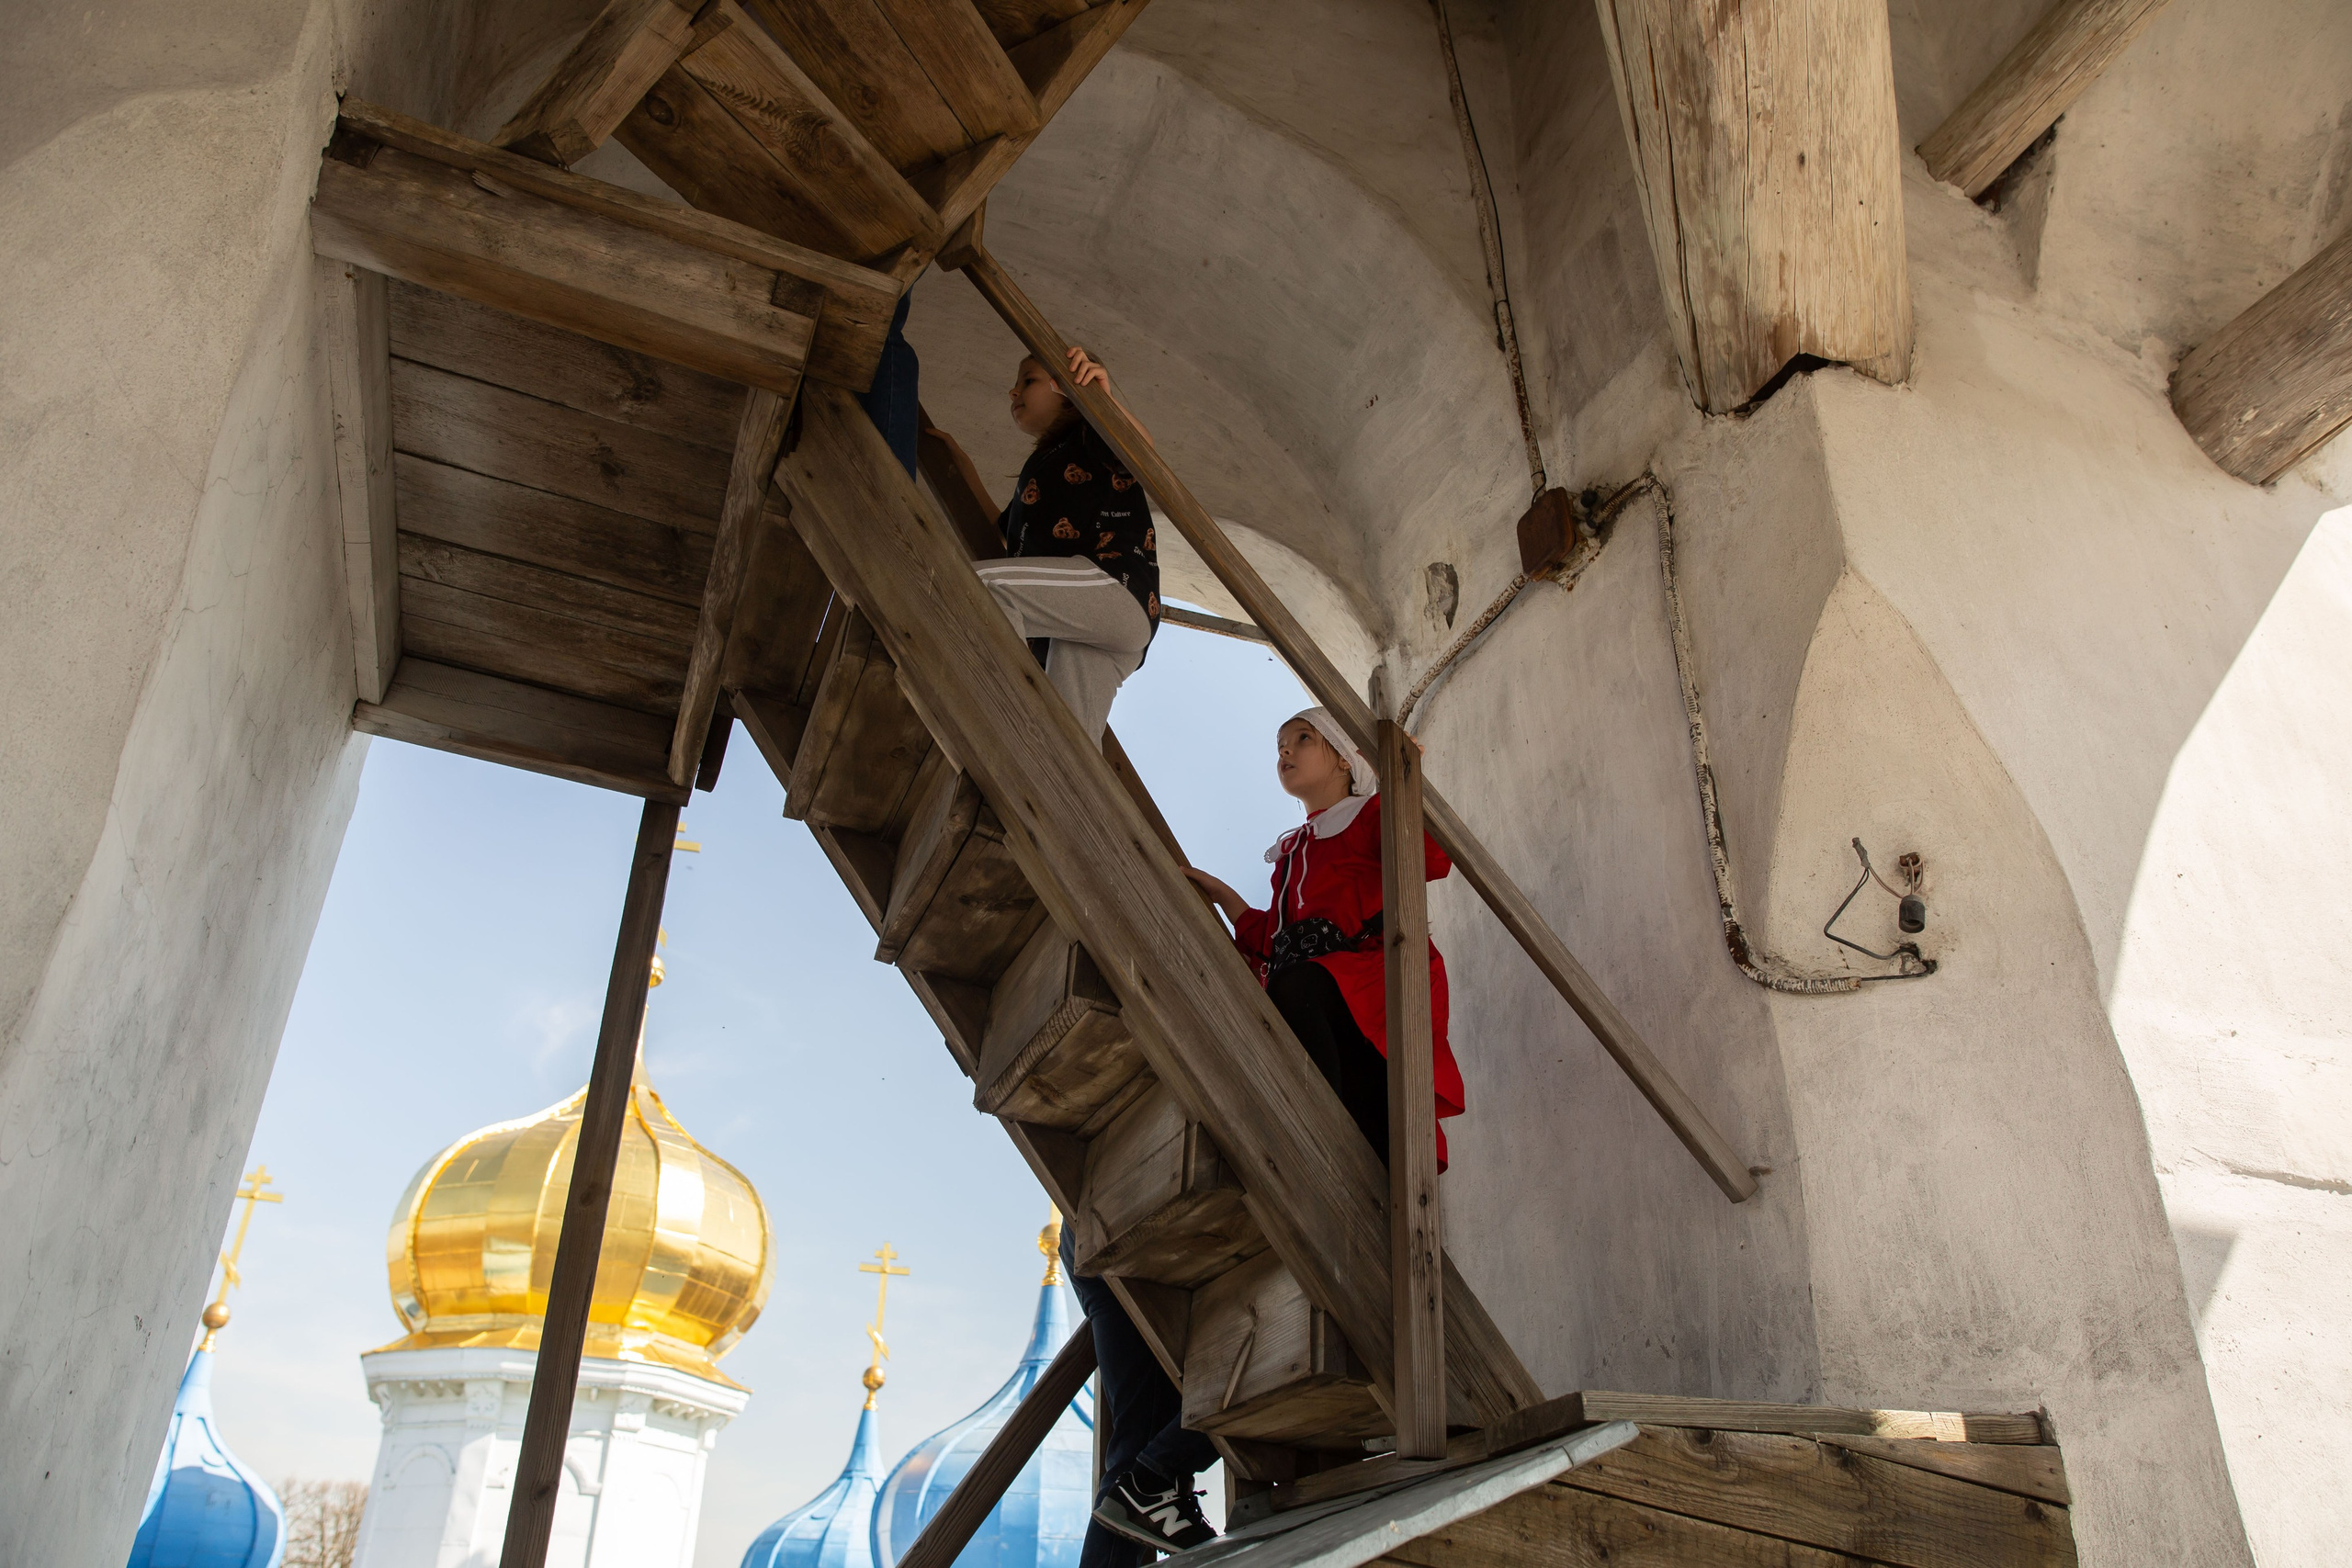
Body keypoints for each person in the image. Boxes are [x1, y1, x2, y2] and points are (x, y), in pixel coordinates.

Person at [1183, 709, 1464, 1168]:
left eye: (1302, 738)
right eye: (1280, 745)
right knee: (1282, 991)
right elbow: (1273, 938)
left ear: (1343, 760)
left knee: (1297, 987)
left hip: (1371, 978)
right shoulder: (1292, 853)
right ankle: (1310, 1124)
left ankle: (1317, 1131)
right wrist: (1222, 895)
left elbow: (1431, 857)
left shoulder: (1370, 816)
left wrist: (1404, 784)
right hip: (1316, 986)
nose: (1285, 751)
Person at [924, 348, 1160, 745]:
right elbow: (1001, 532)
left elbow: (1142, 454)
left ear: (1066, 388)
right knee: (1067, 746)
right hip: (1101, 625)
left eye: (1028, 380)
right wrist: (960, 465)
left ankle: (999, 723)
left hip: (1114, 588)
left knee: (977, 585)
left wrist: (1100, 401)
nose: (1013, 391)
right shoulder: (1043, 467)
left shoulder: (1089, 433)